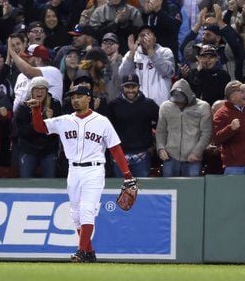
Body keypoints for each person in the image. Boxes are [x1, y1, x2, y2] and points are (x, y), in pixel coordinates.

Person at [28, 85, 136, 263]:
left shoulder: (101, 121)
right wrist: (36, 110)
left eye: (79, 96)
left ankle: (80, 251)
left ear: (89, 99)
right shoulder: (64, 120)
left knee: (87, 210)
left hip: (94, 170)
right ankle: (89, 253)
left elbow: (115, 149)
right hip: (73, 170)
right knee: (76, 214)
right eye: (73, 97)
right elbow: (40, 128)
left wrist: (127, 175)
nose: (75, 100)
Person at [106, 74, 159, 177]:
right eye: (127, 87)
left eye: (133, 87)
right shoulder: (113, 105)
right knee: (121, 189)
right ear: (122, 87)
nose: (130, 90)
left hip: (142, 155)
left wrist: (153, 144)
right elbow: (107, 129)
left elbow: (161, 123)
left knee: (142, 191)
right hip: (119, 154)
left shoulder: (149, 104)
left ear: (138, 87)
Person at [157, 79, 212, 177]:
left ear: (188, 96)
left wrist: (197, 152)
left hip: (192, 158)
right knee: (169, 188)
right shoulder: (165, 107)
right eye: (175, 101)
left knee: (192, 189)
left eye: (181, 101)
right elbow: (161, 131)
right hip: (170, 157)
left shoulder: (203, 107)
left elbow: (206, 133)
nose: (178, 103)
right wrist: (161, 148)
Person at [14, 77, 62, 178]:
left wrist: (51, 120)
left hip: (49, 150)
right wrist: (41, 118)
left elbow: (59, 130)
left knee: (50, 184)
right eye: (37, 89)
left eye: (43, 89)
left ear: (47, 91)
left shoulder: (55, 105)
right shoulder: (24, 107)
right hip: (28, 149)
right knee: (25, 183)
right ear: (31, 91)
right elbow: (23, 131)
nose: (40, 91)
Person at [117, 26, 175, 106]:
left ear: (155, 38)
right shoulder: (132, 54)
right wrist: (132, 53)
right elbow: (122, 76)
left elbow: (168, 72)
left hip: (161, 105)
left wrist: (151, 51)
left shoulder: (165, 52)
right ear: (138, 40)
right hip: (138, 106)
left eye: (148, 34)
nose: (145, 38)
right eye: (142, 35)